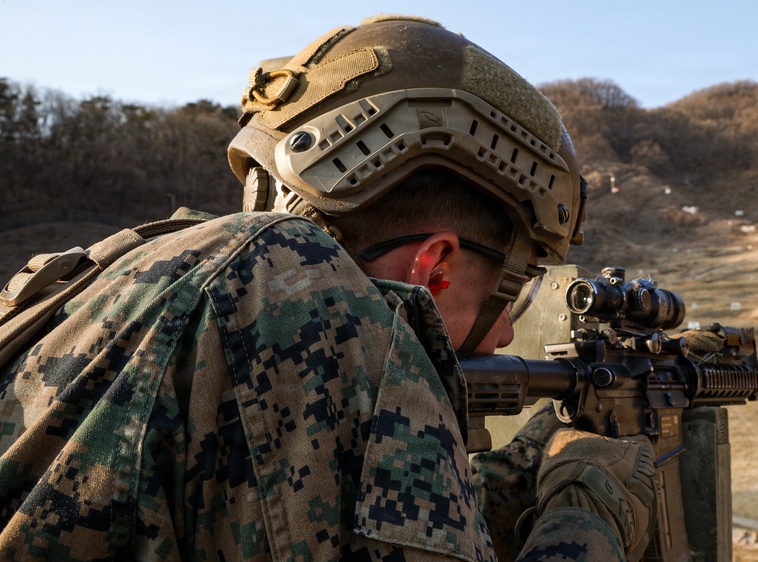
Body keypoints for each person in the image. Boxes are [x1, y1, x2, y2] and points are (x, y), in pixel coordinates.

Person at [0, 15, 655, 561]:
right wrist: (588, 509)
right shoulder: (309, 306)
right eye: (516, 292)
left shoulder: (137, 268)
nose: (508, 331)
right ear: (434, 267)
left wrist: (511, 478)